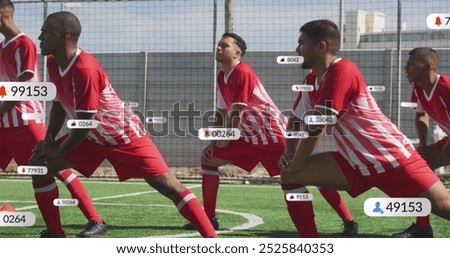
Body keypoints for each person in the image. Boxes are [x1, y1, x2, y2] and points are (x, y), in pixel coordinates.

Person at [30, 11, 217, 238]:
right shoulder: (53, 62)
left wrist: (58, 150)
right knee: (39, 166)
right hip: (91, 138)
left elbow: (84, 123)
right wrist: (49, 139)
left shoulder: (84, 69)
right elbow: (59, 103)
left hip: (124, 136)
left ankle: (212, 240)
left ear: (65, 36)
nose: (40, 37)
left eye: (46, 32)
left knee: (167, 185)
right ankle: (55, 235)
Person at [279, 20, 450, 237]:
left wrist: (297, 163)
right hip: (355, 163)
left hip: (393, 160)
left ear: (321, 46)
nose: (297, 49)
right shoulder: (312, 79)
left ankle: (422, 229)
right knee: (290, 176)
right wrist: (290, 151)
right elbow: (296, 119)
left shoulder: (343, 70)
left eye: (301, 43)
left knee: (445, 208)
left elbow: (318, 124)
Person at [182, 32, 358, 237]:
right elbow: (221, 113)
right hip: (248, 138)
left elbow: (237, 112)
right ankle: (209, 219)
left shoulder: (243, 72)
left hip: (274, 137)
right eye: (218, 45)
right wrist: (213, 143)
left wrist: (223, 142)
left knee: (307, 172)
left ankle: (348, 220)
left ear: (238, 53)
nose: (218, 48)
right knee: (210, 161)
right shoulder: (222, 77)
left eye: (225, 45)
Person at [0, 0, 106, 238]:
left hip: (24, 123)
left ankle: (93, 219)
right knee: (50, 169)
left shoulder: (24, 43)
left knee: (57, 169)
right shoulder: (2, 46)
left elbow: (24, 85)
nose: (42, 36)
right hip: (4, 125)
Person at [392, 47, 450, 237]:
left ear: (427, 66)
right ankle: (422, 227)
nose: (405, 67)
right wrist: (424, 145)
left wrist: (443, 153)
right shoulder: (419, 86)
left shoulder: (447, 88)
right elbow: (421, 115)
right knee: (417, 165)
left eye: (410, 64)